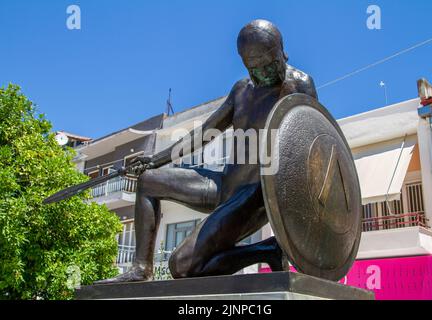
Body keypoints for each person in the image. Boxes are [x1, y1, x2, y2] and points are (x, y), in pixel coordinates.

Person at [95, 19, 318, 284]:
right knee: (148, 181)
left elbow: (311, 148)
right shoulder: (241, 90)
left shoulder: (300, 85)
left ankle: (265, 249)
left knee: (181, 266)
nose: (264, 74)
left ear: (283, 52)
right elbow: (205, 132)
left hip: (254, 197)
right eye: (255, 68)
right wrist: (154, 160)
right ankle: (141, 269)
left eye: (270, 65)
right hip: (224, 185)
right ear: (246, 64)